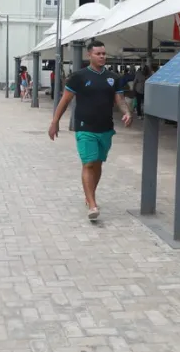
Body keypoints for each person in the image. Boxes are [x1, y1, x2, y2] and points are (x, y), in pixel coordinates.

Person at [48, 39, 133, 221]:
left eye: (104, 53)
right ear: (90, 55)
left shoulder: (113, 78)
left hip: (105, 128)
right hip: (84, 127)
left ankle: (89, 196)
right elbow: (65, 100)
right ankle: (93, 204)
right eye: (98, 54)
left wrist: (126, 112)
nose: (102, 56)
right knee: (88, 163)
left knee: (98, 164)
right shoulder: (79, 77)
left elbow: (120, 100)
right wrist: (55, 122)